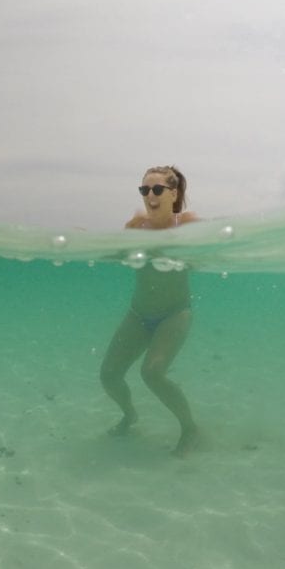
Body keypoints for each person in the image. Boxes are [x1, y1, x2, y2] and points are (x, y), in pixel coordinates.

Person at [100, 165, 199, 457]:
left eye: (157, 189)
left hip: (174, 314)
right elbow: (117, 253)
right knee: (109, 375)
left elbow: (215, 246)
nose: (150, 195)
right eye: (145, 190)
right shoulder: (135, 227)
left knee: (153, 373)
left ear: (173, 193)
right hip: (139, 315)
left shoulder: (188, 224)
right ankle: (130, 415)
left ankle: (190, 428)